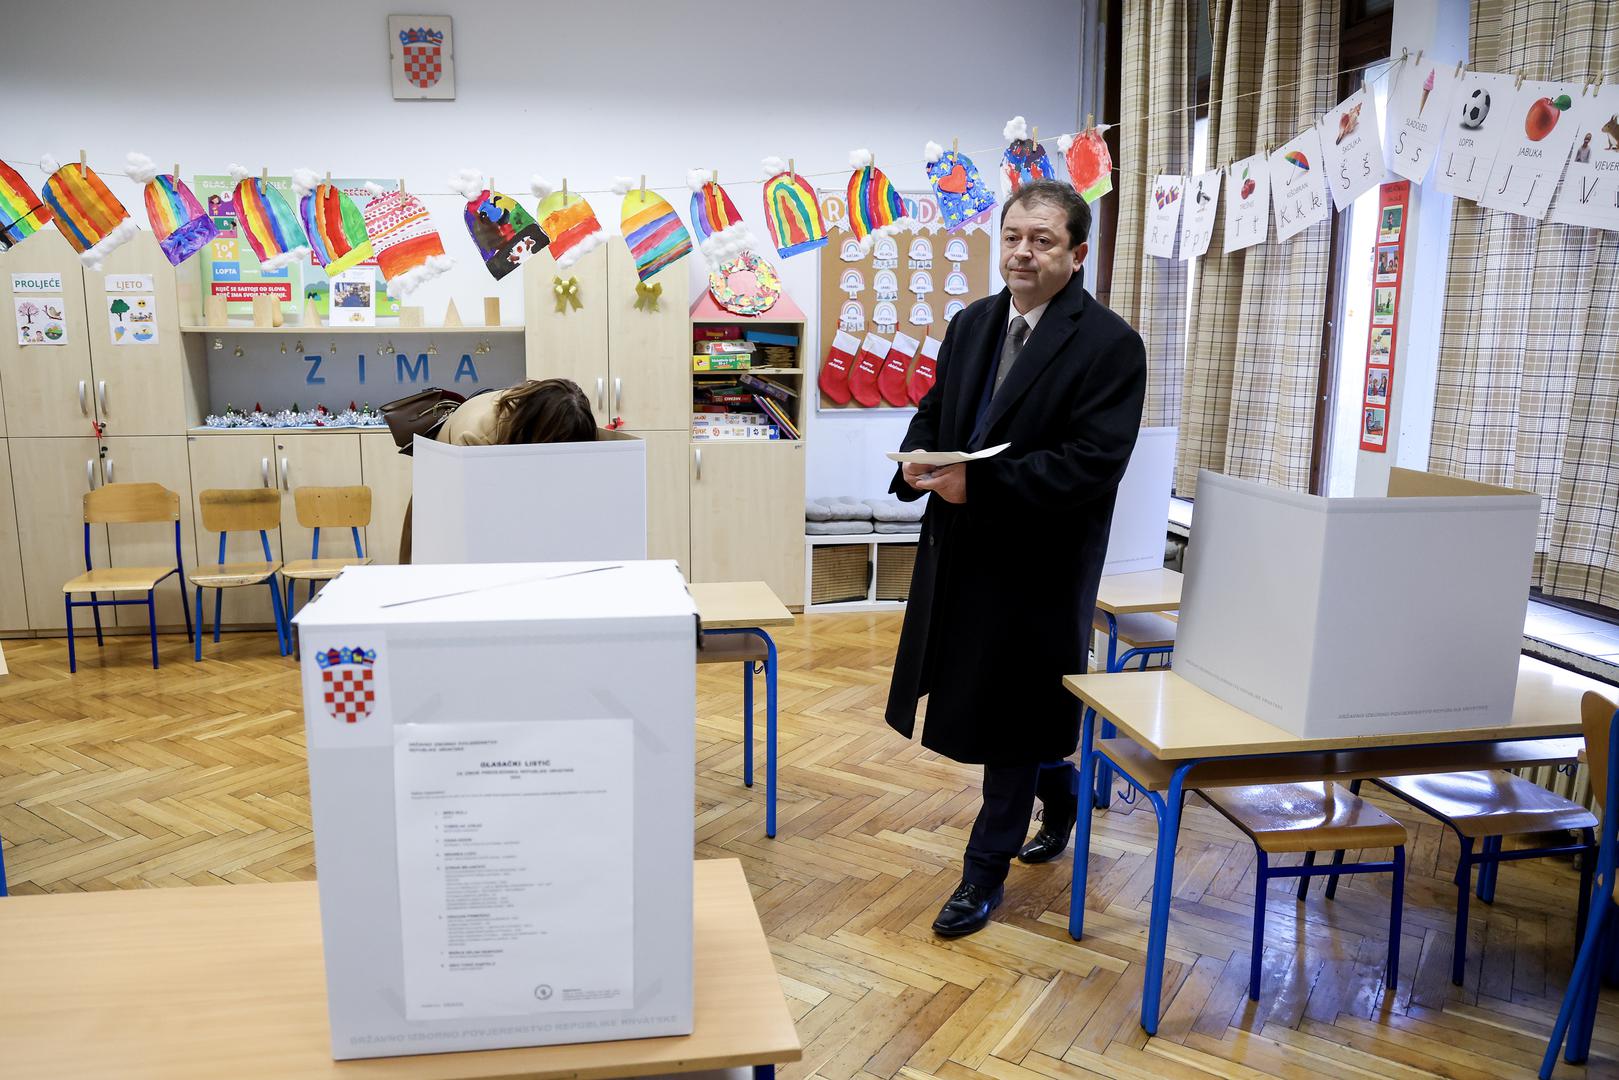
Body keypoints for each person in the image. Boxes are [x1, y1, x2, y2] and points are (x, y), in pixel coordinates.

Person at [886, 179, 1147, 938]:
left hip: (1039, 562)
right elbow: (939, 410)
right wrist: (915, 460)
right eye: (1011, 238)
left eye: (1041, 241)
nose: (1021, 253)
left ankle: (981, 874)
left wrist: (983, 482)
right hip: (963, 550)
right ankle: (1059, 787)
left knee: (1010, 716)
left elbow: (1092, 463)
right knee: (982, 703)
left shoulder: (1109, 344)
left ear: (1077, 254)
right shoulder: (972, 323)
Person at [398, 377, 597, 562]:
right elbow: (484, 527)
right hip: (442, 511)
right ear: (542, 437)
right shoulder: (476, 440)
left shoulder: (537, 408)